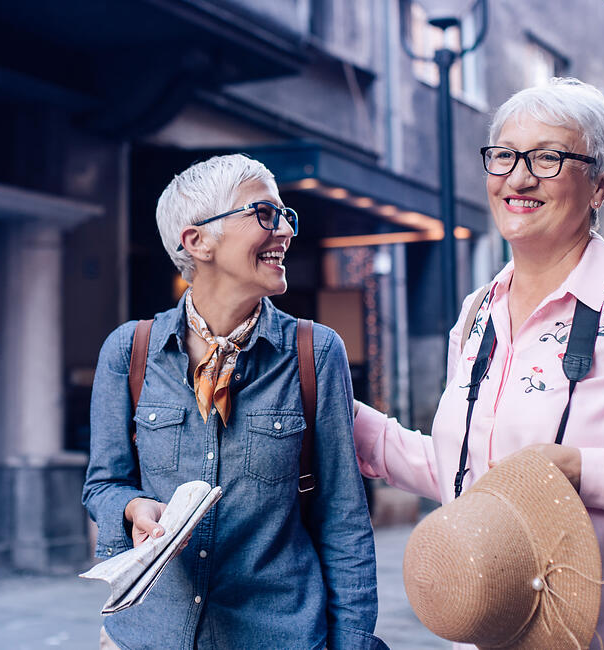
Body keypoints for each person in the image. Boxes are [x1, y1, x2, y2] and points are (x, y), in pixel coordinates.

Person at [349, 78, 604, 648]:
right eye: (504, 156)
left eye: (548, 157)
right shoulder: (477, 313)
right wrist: (330, 402)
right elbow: (468, 472)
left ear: (601, 183)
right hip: (518, 632)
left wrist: (580, 470)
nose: (520, 177)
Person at [82, 154, 384, 650]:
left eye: (287, 215)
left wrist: (352, 643)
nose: (285, 229)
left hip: (279, 635)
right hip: (147, 638)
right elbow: (104, 484)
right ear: (197, 240)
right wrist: (133, 506)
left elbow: (343, 520)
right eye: (265, 213)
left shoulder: (315, 352)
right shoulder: (130, 351)